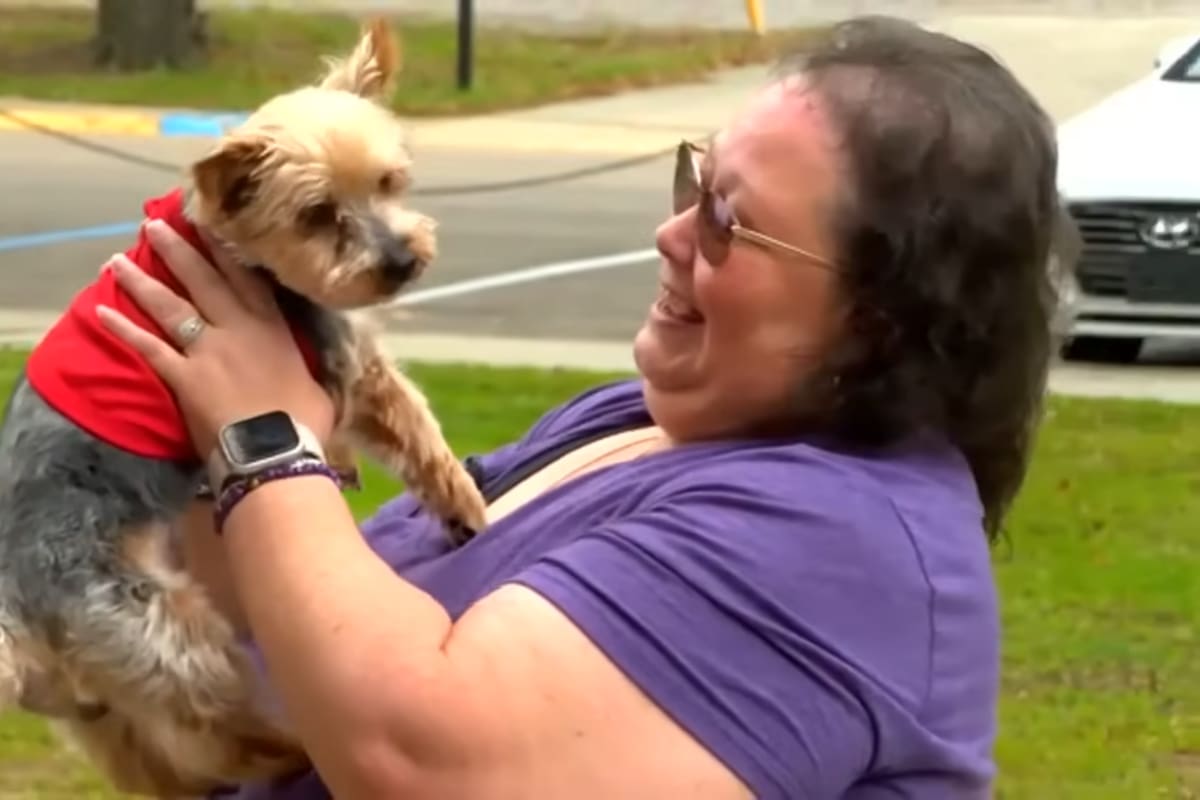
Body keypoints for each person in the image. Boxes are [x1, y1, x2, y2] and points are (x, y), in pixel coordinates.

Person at [93, 15, 1068, 800]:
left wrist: (263, 438)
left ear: (881, 318)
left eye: (729, 221)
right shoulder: (635, 421)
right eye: (696, 180)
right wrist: (188, 432)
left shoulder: (845, 543)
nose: (672, 232)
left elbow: (425, 764)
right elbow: (289, 649)